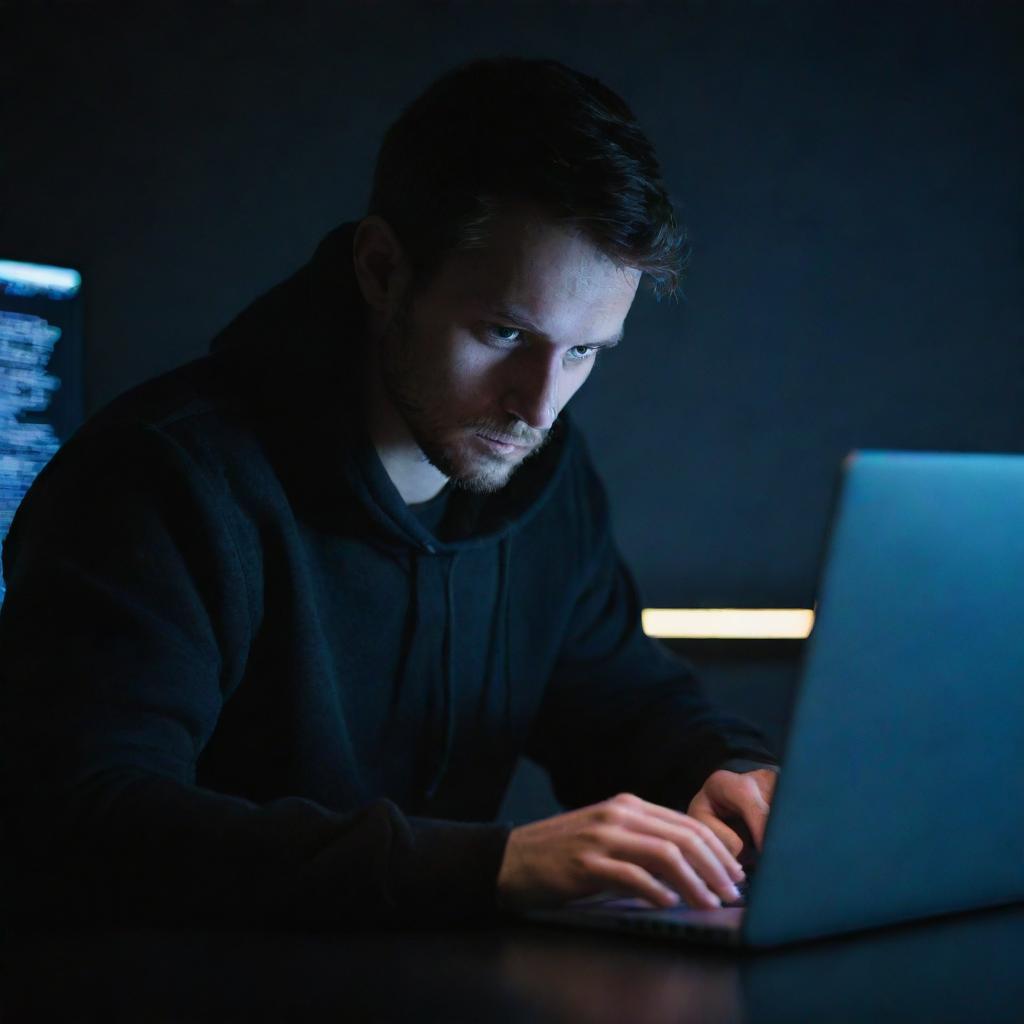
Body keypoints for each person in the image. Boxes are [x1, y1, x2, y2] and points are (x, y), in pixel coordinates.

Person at [0, 57, 778, 928]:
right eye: (505, 331)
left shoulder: (544, 476)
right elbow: (81, 822)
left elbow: (627, 706)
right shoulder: (157, 479)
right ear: (381, 268)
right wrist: (486, 867)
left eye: (586, 352)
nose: (539, 404)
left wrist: (730, 775)